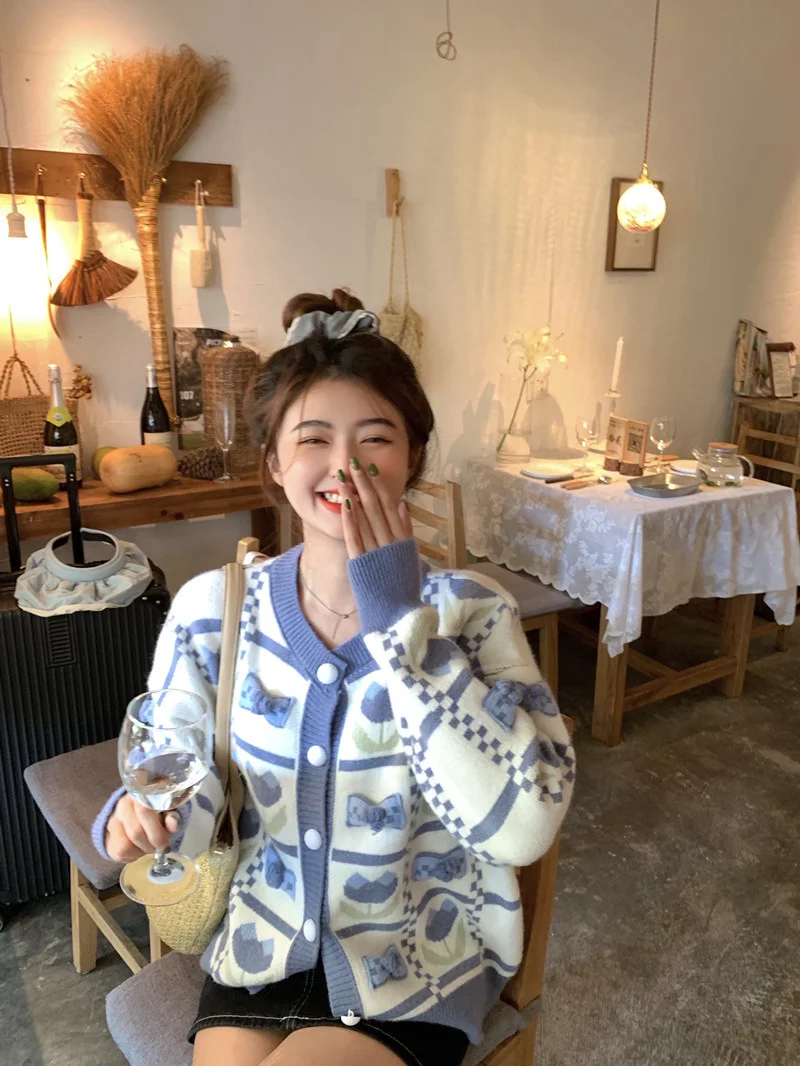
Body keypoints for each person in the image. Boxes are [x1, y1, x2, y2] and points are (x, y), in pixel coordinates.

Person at [93, 289, 575, 1066]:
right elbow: (178, 761)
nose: (345, 465)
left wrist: (400, 630)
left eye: (375, 438)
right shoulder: (213, 608)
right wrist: (148, 817)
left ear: (411, 458)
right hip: (260, 942)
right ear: (275, 462)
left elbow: (522, 828)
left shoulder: (473, 612)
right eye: (313, 438)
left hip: (415, 962)